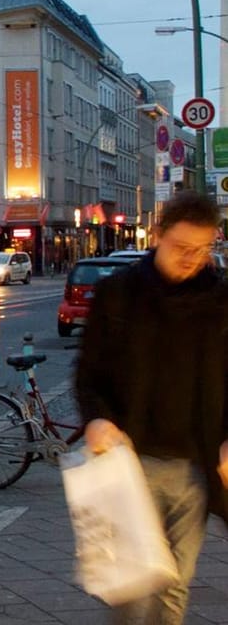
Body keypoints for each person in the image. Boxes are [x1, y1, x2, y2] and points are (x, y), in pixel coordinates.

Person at [75, 190, 228, 625]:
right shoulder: (118, 295)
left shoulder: (220, 301)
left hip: (196, 468)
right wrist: (98, 419)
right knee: (134, 590)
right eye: (182, 248)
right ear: (157, 235)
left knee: (176, 584)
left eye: (202, 250)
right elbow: (88, 374)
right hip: (130, 465)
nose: (192, 259)